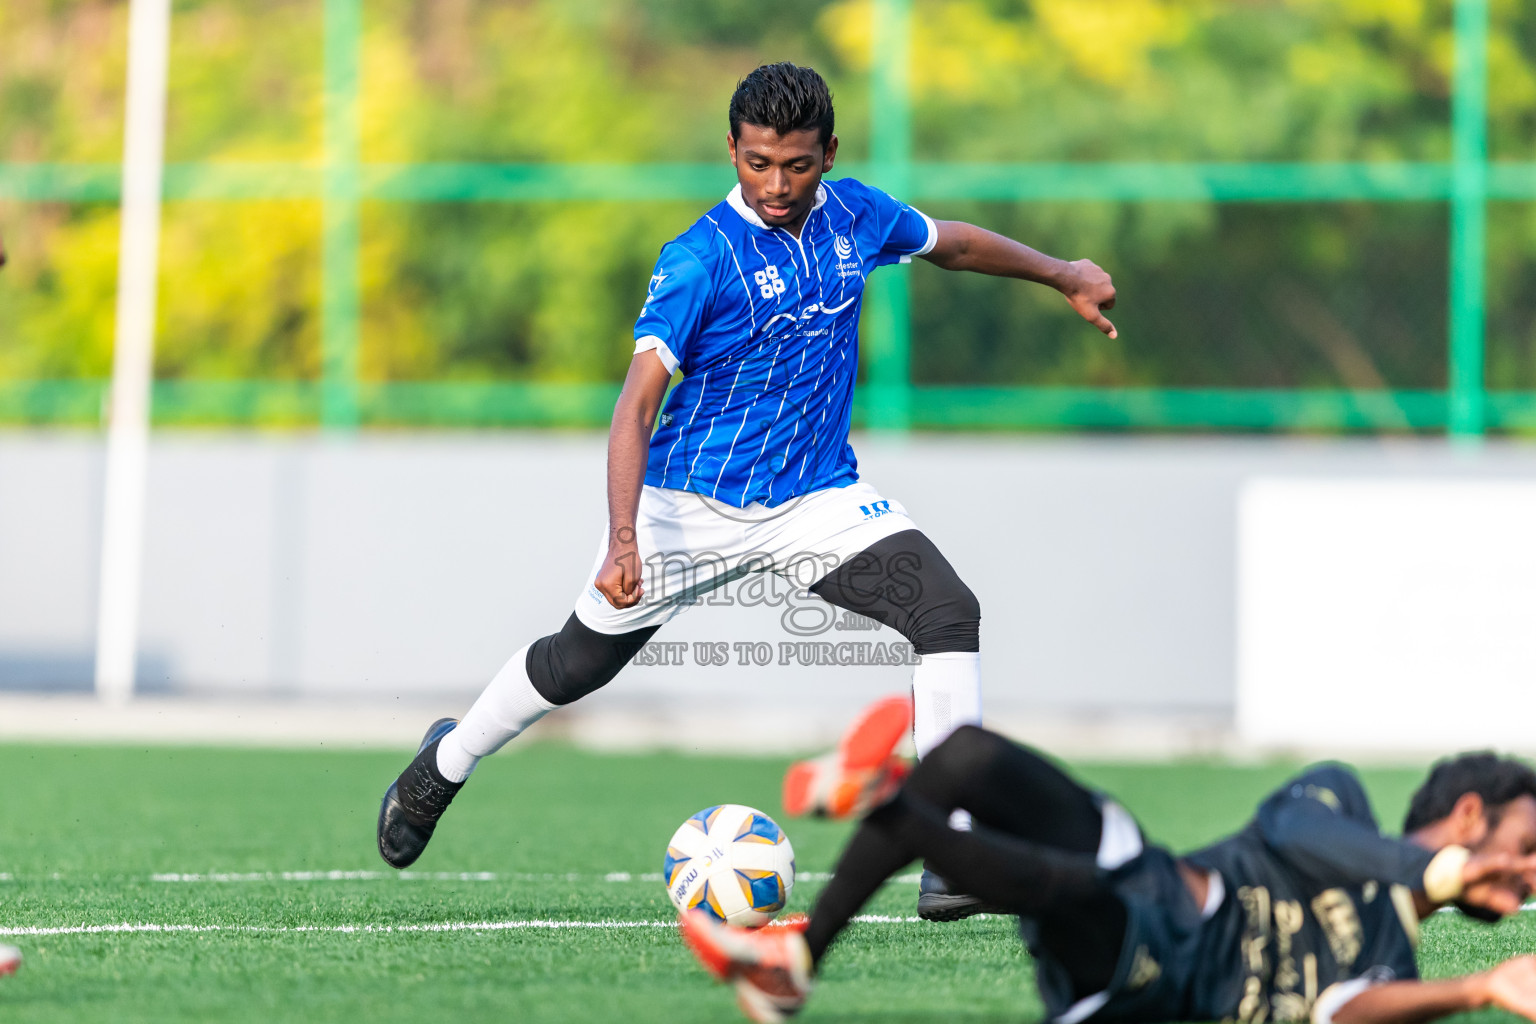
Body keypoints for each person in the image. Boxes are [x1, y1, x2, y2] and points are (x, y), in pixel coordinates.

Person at [376, 63, 1118, 921]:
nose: (775, 184)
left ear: (828, 154)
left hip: (814, 500)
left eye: (796, 165)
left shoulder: (857, 215)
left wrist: (1061, 272)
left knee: (948, 613)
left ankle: (949, 852)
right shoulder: (698, 261)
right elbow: (635, 406)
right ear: (732, 149)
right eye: (757, 162)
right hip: (685, 508)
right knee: (577, 663)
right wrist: (624, 538)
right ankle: (444, 765)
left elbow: (948, 242)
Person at [681, 727, 1536, 1024]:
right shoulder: (1341, 799)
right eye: (1525, 846)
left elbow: (1339, 1009)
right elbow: (1290, 829)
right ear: (1468, 815)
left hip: (1149, 977)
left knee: (1088, 894)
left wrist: (1482, 987)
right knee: (968, 757)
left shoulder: (1399, 965)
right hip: (1150, 874)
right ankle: (799, 962)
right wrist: (1446, 869)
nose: (1528, 876)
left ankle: (889, 806)